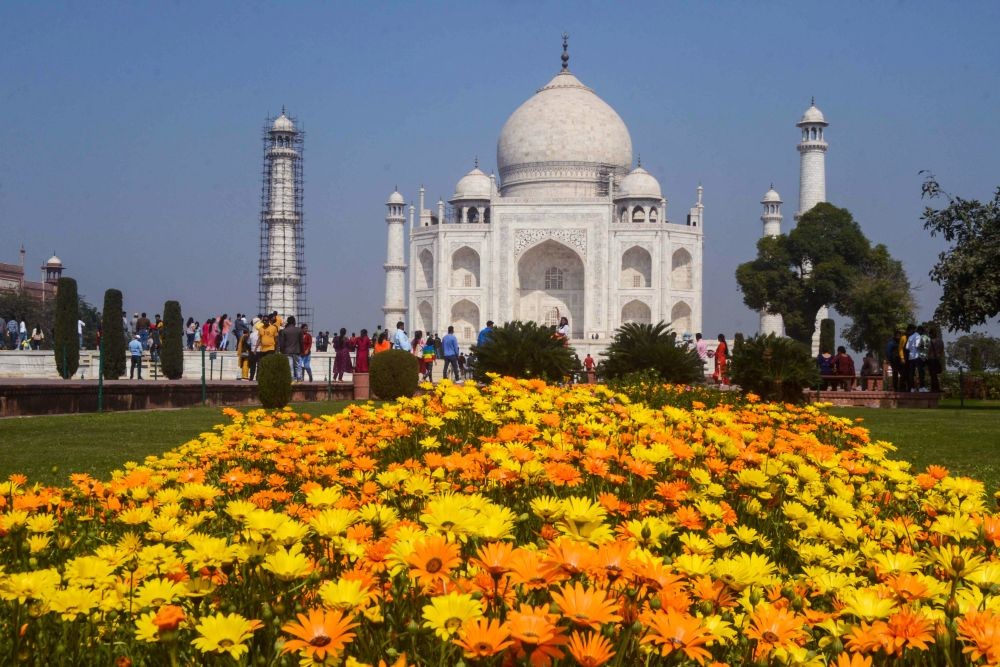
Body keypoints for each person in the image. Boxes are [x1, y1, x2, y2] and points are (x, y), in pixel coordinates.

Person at [279, 316, 303, 381]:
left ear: (288, 322)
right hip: (297, 351)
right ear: (294, 322)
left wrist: (282, 350)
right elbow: (301, 342)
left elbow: (282, 343)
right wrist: (302, 350)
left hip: (287, 351)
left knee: (290, 366)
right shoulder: (299, 330)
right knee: (298, 366)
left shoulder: (284, 331)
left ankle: (292, 379)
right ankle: (299, 378)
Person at [905, 324, 925, 392]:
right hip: (917, 356)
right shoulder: (918, 336)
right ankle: (921, 387)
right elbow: (917, 346)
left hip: (911, 357)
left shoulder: (910, 337)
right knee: (920, 372)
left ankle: (912, 388)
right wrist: (922, 346)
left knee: (911, 373)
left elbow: (907, 347)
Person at [928, 326, 945, 392]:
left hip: (931, 359)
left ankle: (934, 388)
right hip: (937, 359)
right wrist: (939, 355)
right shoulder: (940, 341)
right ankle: (937, 388)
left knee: (932, 375)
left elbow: (928, 351)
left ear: (931, 334)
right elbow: (942, 350)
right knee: (936, 374)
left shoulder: (930, 342)